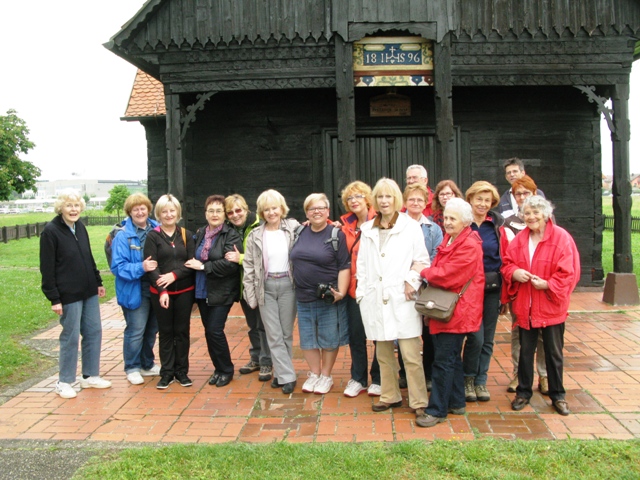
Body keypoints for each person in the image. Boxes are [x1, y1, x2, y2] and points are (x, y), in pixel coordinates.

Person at [355, 178, 430, 422]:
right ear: (374, 201)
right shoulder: (368, 229)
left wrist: (411, 280)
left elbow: (422, 260)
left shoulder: (411, 227)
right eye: (380, 197)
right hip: (376, 298)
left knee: (410, 354)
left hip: (402, 298)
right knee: (383, 353)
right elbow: (362, 266)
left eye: (388, 196)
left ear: (396, 199)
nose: (384, 201)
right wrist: (362, 294)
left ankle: (419, 401)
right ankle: (390, 395)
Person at [502, 196, 580, 416]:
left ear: (545, 214)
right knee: (525, 352)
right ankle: (523, 393)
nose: (531, 217)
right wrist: (515, 273)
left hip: (550, 305)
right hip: (525, 306)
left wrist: (548, 284)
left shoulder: (561, 238)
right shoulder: (520, 239)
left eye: (536, 213)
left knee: (553, 353)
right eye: (527, 213)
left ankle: (558, 395)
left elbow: (569, 272)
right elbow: (507, 264)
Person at [412, 198, 484, 427]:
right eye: (446, 217)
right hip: (453, 308)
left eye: (453, 218)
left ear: (465, 221)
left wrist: (424, 271)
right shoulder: (453, 237)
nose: (448, 222)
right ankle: (456, 402)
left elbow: (449, 275)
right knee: (451, 358)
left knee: (442, 361)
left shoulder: (469, 244)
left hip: (457, 311)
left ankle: (437, 410)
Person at [40, 189, 111, 399]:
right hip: (68, 294)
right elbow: (47, 268)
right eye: (69, 205)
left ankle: (90, 376)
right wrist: (54, 298)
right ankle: (64, 381)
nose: (73, 209)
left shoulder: (80, 226)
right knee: (70, 337)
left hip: (88, 290)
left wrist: (97, 281)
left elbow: (87, 256)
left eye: (76, 205)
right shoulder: (50, 231)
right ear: (60, 208)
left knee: (94, 331)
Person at [290, 193, 350, 395]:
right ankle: (314, 374)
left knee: (329, 338)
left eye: (320, 208)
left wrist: (341, 292)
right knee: (307, 339)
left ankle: (326, 375)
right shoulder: (299, 231)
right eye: (312, 208)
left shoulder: (336, 234)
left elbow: (344, 266)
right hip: (303, 296)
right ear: (306, 212)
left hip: (328, 297)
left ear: (328, 211)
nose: (316, 212)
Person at [243, 190, 299, 394]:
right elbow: (249, 266)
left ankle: (281, 373)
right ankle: (287, 376)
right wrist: (250, 295)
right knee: (273, 334)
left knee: (285, 333)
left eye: (274, 208)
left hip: (288, 286)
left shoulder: (294, 228)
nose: (271, 212)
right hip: (265, 287)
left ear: (281, 208)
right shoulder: (255, 235)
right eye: (266, 209)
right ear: (261, 212)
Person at [185, 195, 243, 388]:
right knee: (209, 332)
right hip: (203, 290)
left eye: (219, 211)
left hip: (222, 291)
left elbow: (230, 265)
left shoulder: (230, 235)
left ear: (225, 214)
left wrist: (203, 266)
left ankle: (226, 370)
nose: (215, 214)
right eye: (211, 211)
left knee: (215, 330)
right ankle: (218, 369)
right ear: (205, 213)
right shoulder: (201, 233)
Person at [462, 181, 513, 403]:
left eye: (487, 200)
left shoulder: (497, 226)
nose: (482, 204)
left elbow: (505, 259)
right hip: (468, 288)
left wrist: (505, 295)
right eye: (478, 199)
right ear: (470, 200)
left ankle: (480, 380)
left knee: (488, 337)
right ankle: (467, 378)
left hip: (492, 288)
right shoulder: (463, 224)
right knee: (475, 336)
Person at [502, 175, 548, 395]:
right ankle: (519, 374)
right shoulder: (508, 222)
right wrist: (514, 273)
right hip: (520, 288)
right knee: (518, 332)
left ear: (534, 193)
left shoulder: (546, 219)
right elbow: (506, 257)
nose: (521, 197)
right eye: (517, 193)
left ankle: (544, 375)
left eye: (525, 193)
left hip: (542, 288)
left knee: (543, 334)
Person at [144, 194, 195, 389]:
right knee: (165, 331)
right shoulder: (153, 236)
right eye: (164, 211)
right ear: (159, 214)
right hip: (161, 294)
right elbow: (151, 267)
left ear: (178, 212)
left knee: (181, 331)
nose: (168, 215)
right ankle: (166, 372)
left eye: (172, 211)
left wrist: (174, 275)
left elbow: (191, 263)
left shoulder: (186, 235)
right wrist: (162, 290)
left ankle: (181, 371)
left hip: (184, 291)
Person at [111, 193, 161, 385]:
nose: (140, 212)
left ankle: (147, 364)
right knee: (136, 330)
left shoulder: (157, 229)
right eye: (135, 209)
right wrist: (142, 267)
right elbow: (118, 267)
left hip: (156, 288)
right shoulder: (123, 235)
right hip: (135, 290)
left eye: (143, 208)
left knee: (152, 329)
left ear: (148, 209)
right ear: (129, 212)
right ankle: (132, 367)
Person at [223, 194, 273, 382]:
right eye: (230, 212)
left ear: (246, 209)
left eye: (239, 210)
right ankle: (256, 358)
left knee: (263, 325)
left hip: (260, 284)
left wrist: (240, 258)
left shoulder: (260, 226)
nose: (235, 215)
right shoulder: (228, 229)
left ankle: (267, 361)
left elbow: (266, 256)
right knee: (253, 324)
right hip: (244, 285)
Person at [339, 181, 381, 398]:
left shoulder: (381, 221)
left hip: (375, 288)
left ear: (367, 199)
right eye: (350, 198)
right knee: (356, 335)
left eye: (358, 196)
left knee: (379, 336)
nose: (354, 201)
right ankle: (358, 378)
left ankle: (379, 378)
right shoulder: (345, 226)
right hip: (354, 289)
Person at [402, 183, 443, 392]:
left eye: (420, 199)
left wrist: (417, 276)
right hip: (403, 286)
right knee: (404, 331)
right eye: (412, 199)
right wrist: (407, 277)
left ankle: (428, 373)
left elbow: (436, 257)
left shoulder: (433, 229)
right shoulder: (397, 225)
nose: (416, 203)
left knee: (429, 333)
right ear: (404, 202)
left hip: (427, 286)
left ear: (426, 202)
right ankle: (404, 373)